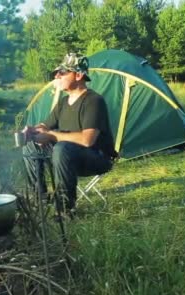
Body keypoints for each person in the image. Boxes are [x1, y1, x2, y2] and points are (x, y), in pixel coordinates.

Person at [23, 52, 117, 216]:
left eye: (63, 72)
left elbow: (87, 140)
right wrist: (31, 131)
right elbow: (45, 126)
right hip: (66, 157)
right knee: (30, 147)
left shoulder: (94, 101)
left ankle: (65, 209)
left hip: (97, 157)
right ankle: (40, 200)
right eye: (57, 72)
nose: (57, 76)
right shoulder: (63, 102)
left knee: (62, 148)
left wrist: (52, 136)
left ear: (79, 75)